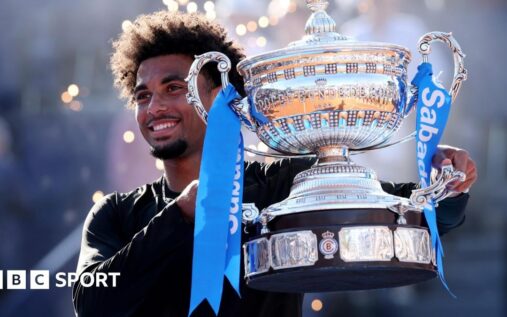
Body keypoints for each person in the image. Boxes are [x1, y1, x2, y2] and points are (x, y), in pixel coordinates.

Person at [72, 11, 477, 317]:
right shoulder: (114, 214)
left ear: (216, 100)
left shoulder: (280, 185)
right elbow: (91, 303)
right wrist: (179, 215)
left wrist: (451, 182)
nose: (155, 106)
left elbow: (425, 214)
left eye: (174, 88)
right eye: (143, 96)